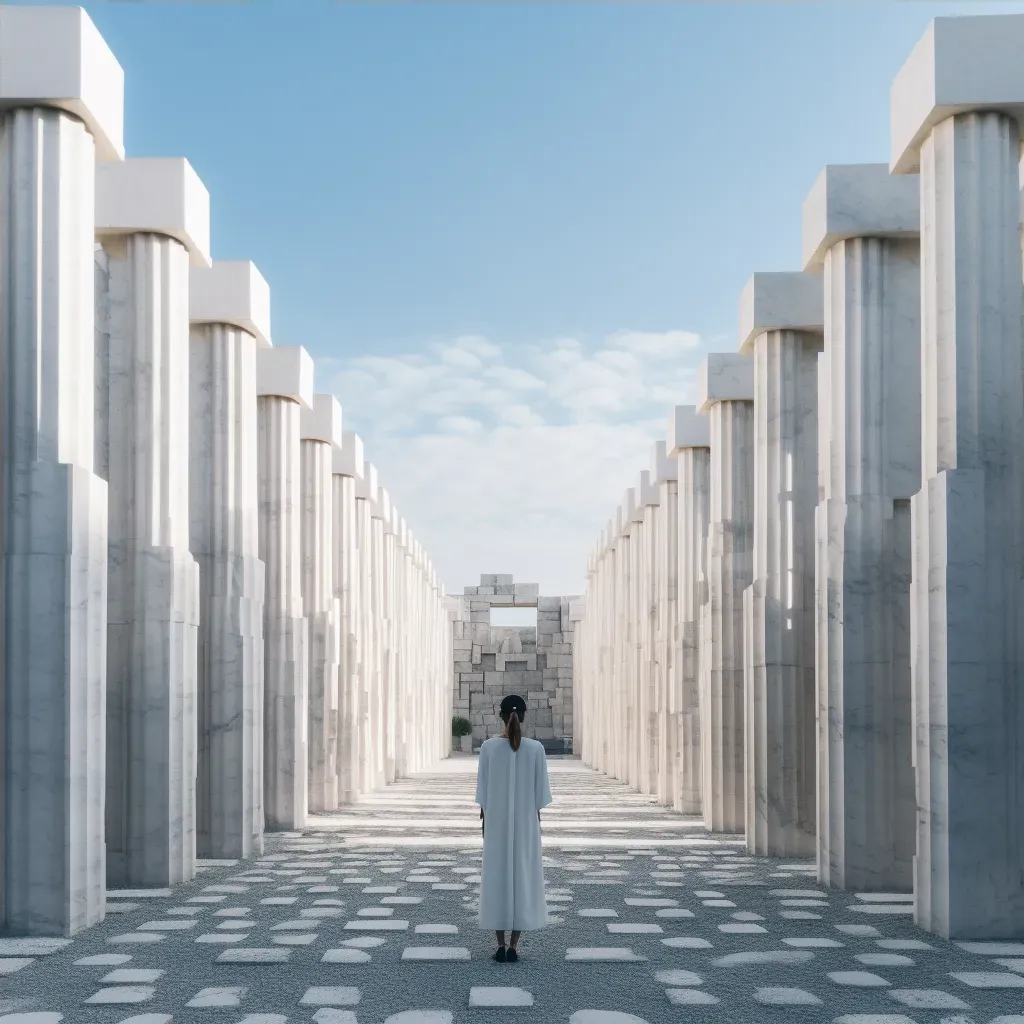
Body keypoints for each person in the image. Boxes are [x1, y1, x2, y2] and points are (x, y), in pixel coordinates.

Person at [475, 693, 553, 962]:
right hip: (526, 824)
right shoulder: (536, 749)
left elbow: (482, 795)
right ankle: (515, 947)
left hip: (496, 824)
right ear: (523, 717)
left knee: (497, 877)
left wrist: (485, 821)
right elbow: (541, 797)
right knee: (522, 877)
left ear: (501, 716)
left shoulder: (488, 748)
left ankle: (499, 945)